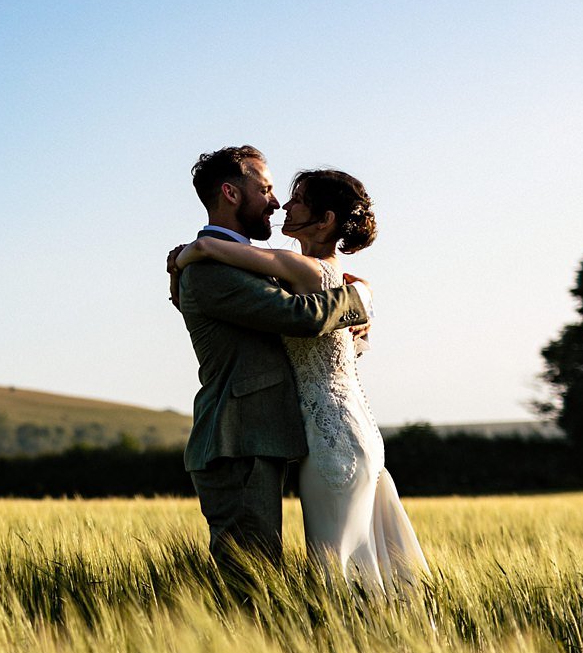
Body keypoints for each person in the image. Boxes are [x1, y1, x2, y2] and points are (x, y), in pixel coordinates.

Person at [173, 163, 429, 592]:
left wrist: (186, 253)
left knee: (336, 563)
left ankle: (357, 644)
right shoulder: (292, 273)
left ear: (325, 219)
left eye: (292, 198)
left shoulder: (296, 269)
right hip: (307, 430)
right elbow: (308, 320)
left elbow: (308, 320)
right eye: (269, 190)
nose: (279, 204)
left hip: (328, 436)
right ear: (232, 194)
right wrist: (360, 296)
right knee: (342, 560)